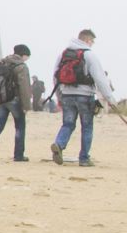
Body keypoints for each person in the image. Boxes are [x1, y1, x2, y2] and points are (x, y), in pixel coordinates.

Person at [50, 28, 120, 167]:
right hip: (85, 95)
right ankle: (84, 158)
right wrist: (110, 99)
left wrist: (59, 96)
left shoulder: (64, 54)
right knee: (87, 126)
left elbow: (55, 76)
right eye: (92, 41)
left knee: (68, 124)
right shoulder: (89, 55)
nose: (92, 44)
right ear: (87, 40)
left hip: (67, 95)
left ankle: (59, 144)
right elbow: (100, 79)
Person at [0, 43, 32, 162]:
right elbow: (24, 88)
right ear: (23, 55)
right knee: (20, 127)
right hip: (14, 100)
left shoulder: (1, 63)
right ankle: (19, 155)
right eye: (27, 57)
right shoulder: (21, 66)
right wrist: (26, 106)